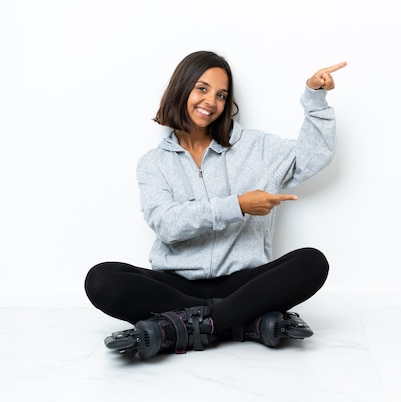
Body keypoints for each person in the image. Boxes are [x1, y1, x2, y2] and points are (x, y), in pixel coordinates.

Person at [84, 50, 346, 360]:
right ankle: (242, 323)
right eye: (202, 88)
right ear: (181, 88)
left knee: (311, 262)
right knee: (101, 279)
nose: (212, 101)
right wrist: (237, 205)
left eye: (222, 95)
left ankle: (184, 326)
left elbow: (312, 157)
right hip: (176, 286)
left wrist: (315, 99)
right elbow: (168, 225)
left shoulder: (256, 147)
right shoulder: (154, 163)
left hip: (242, 284)